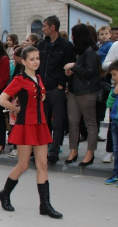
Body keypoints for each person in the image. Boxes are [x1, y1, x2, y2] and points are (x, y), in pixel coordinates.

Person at [0, 46, 62, 219]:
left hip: (40, 125)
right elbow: (1, 99)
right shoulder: (19, 79)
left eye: (37, 58)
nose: (36, 61)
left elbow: (37, 96)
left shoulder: (38, 77)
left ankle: (45, 205)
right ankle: (5, 193)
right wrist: (16, 109)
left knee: (42, 165)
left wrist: (42, 96)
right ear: (24, 61)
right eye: (32, 59)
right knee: (23, 165)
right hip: (25, 126)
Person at [37, 15, 75, 164]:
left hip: (56, 89)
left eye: (45, 26)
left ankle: (54, 152)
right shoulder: (41, 45)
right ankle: (43, 151)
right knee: (43, 121)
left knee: (58, 122)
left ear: (52, 27)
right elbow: (38, 66)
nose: (43, 29)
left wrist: (61, 84)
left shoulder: (66, 46)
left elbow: (67, 66)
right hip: (43, 88)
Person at [63, 23, 101, 167]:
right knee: (73, 122)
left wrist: (74, 67)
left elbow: (90, 72)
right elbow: (80, 71)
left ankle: (90, 152)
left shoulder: (90, 52)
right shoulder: (77, 51)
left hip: (87, 92)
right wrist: (70, 72)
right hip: (73, 91)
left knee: (90, 123)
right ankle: (73, 150)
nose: (71, 37)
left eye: (73, 34)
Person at [104, 61, 118, 186]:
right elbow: (109, 104)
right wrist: (114, 93)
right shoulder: (114, 88)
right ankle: (116, 174)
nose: (113, 78)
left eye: (114, 74)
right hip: (115, 123)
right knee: (116, 150)